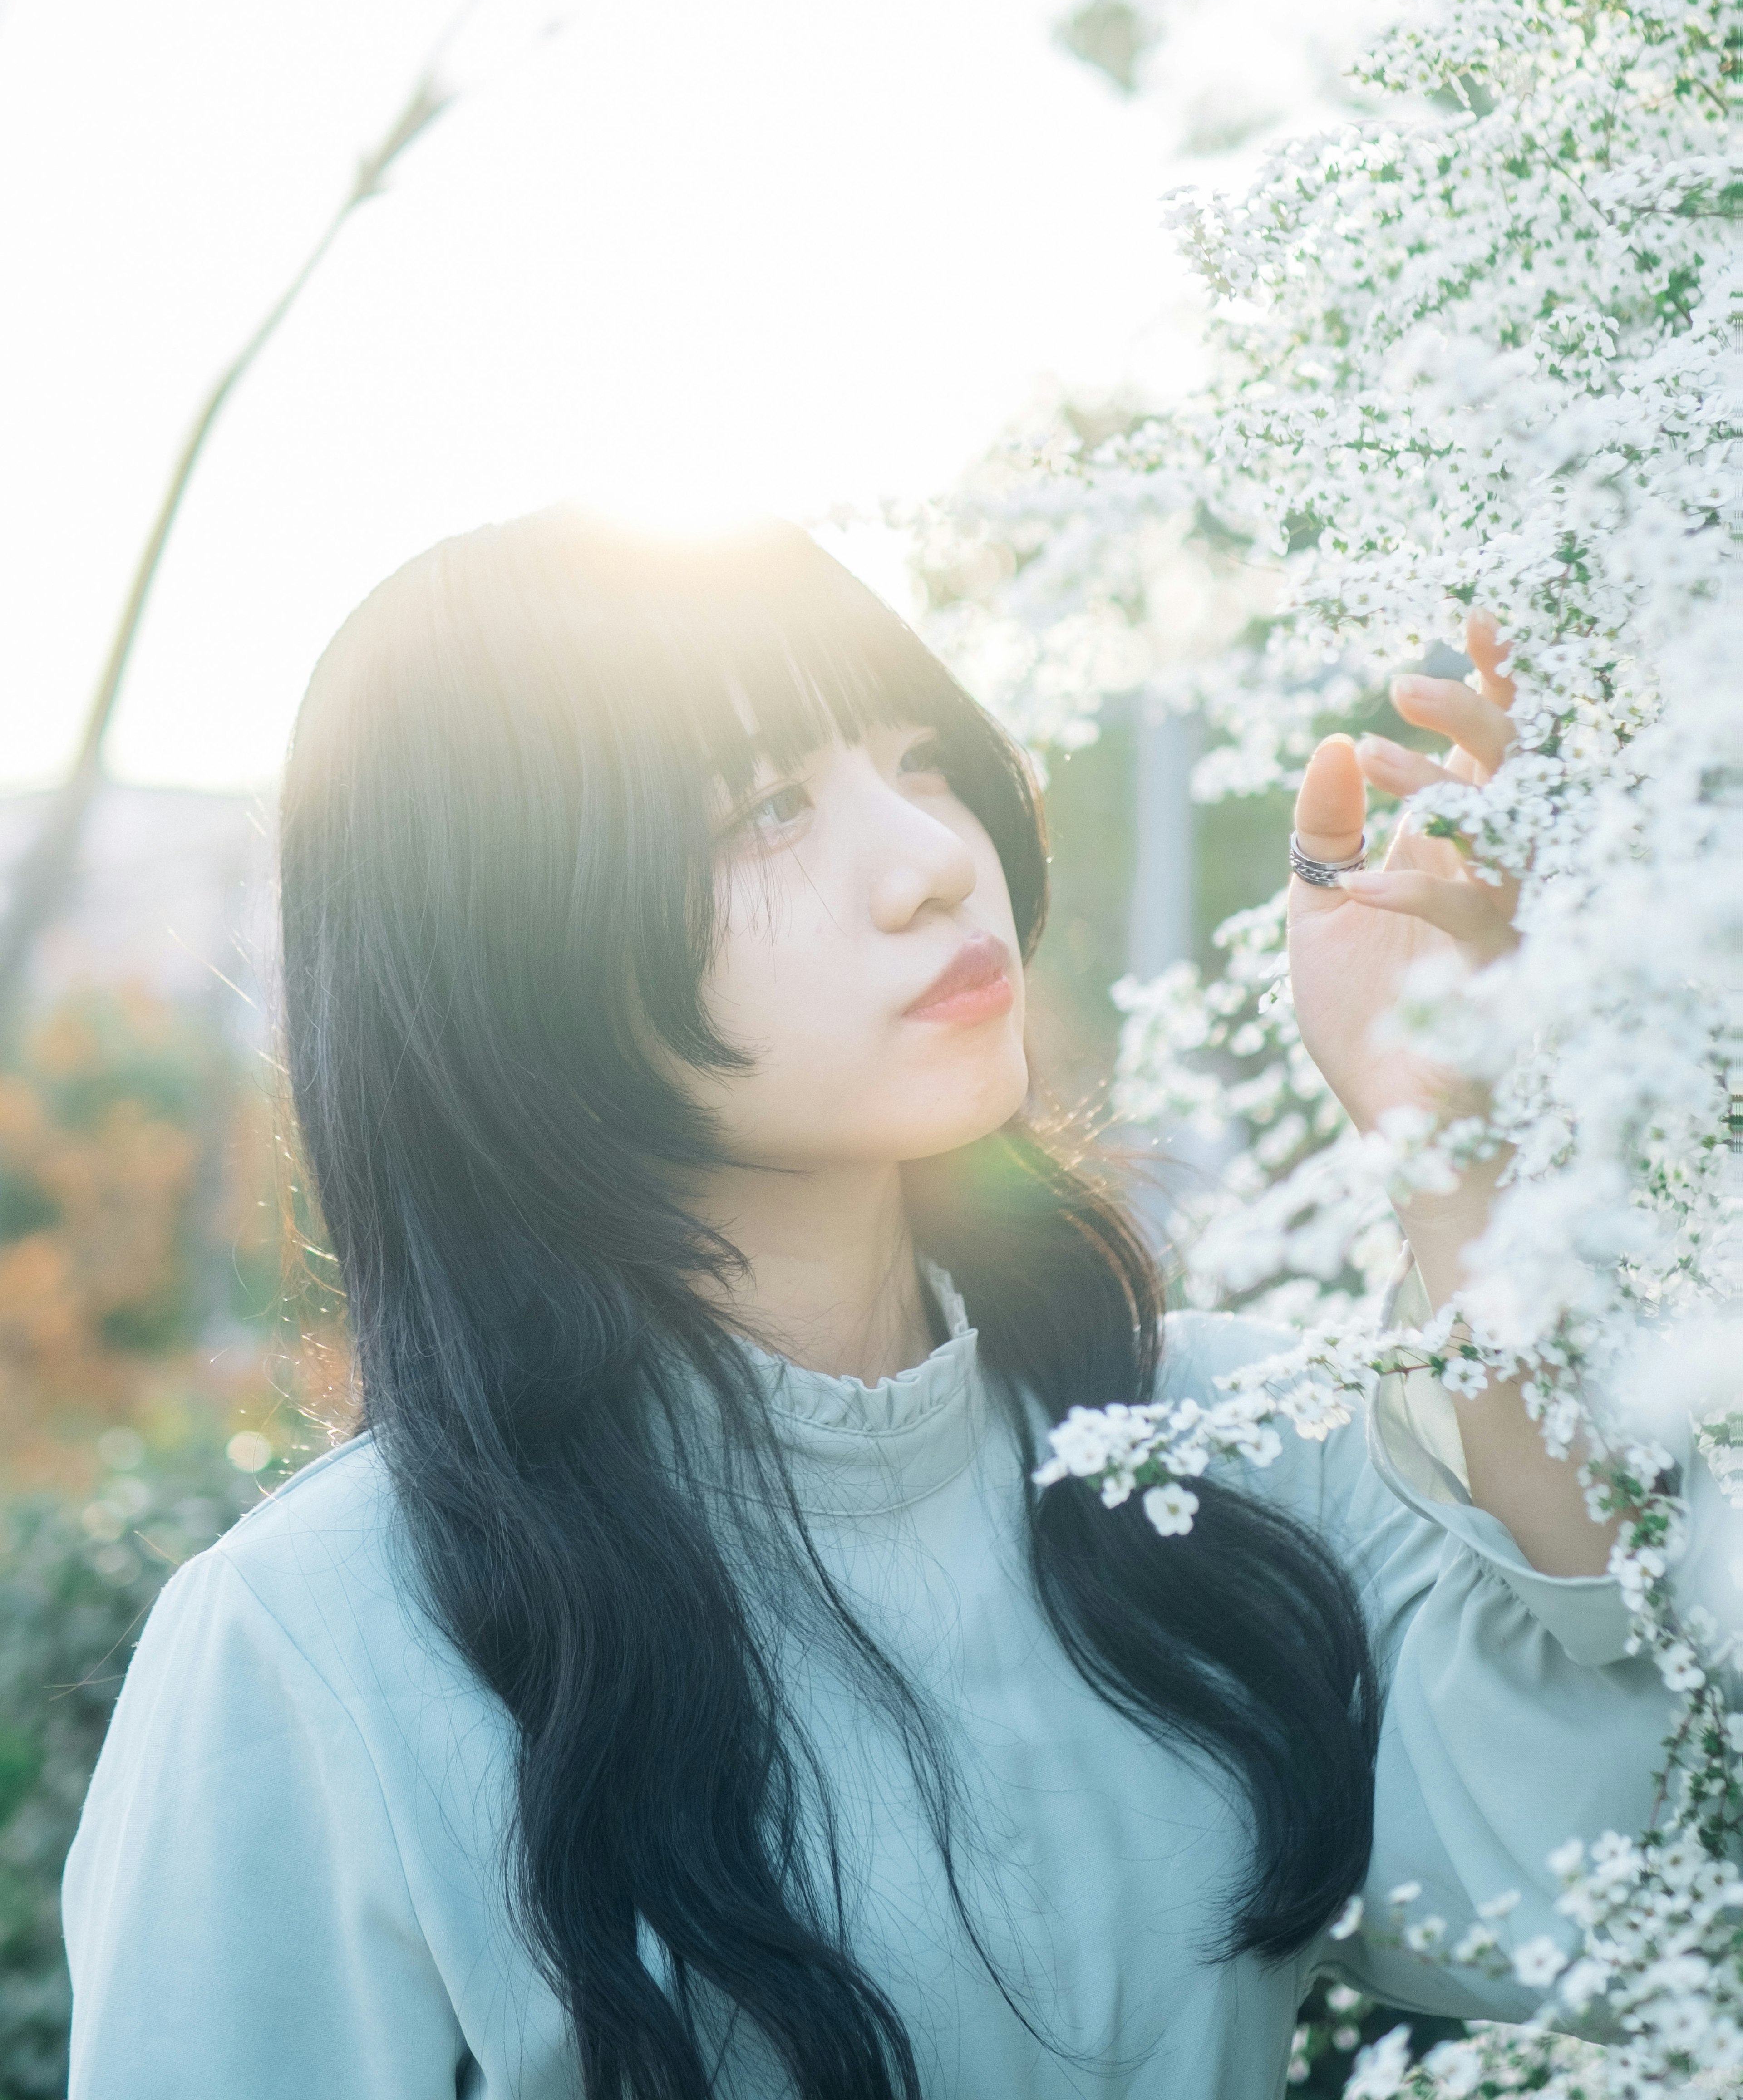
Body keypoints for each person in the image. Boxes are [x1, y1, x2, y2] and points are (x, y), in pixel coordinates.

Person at [63, 513, 1667, 2100]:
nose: (932, 859)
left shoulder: (1227, 1455)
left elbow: (1626, 1887)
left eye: (920, 758)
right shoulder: (322, 1643)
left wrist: (1466, 1151)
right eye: (763, 811)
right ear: (511, 950)